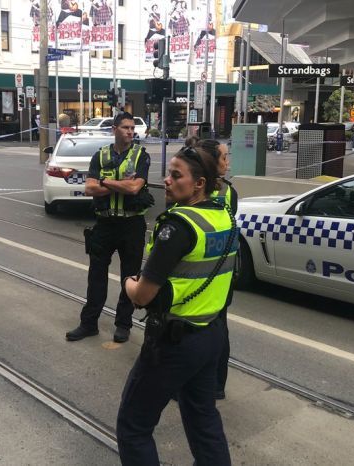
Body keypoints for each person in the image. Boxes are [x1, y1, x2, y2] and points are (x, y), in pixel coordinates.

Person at [116, 145, 235, 466]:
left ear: (199, 183)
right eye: (168, 173)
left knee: (133, 427)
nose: (167, 180)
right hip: (211, 334)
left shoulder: (178, 226)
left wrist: (127, 282)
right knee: (203, 420)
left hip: (174, 342)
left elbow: (142, 295)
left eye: (175, 175)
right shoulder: (222, 215)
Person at [66, 112, 153, 344]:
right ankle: (89, 324)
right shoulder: (100, 156)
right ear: (114, 129)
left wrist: (104, 182)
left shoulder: (141, 156)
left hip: (132, 224)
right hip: (105, 224)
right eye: (125, 127)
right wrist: (119, 185)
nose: (130, 132)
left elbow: (135, 188)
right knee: (96, 276)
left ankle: (123, 325)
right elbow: (89, 189)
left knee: (129, 277)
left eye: (132, 128)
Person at [184, 137, 238, 400]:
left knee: (203, 331)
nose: (227, 162)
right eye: (224, 157)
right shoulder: (228, 192)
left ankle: (212, 383)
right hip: (218, 276)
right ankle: (214, 385)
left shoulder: (197, 192)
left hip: (202, 278)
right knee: (217, 330)